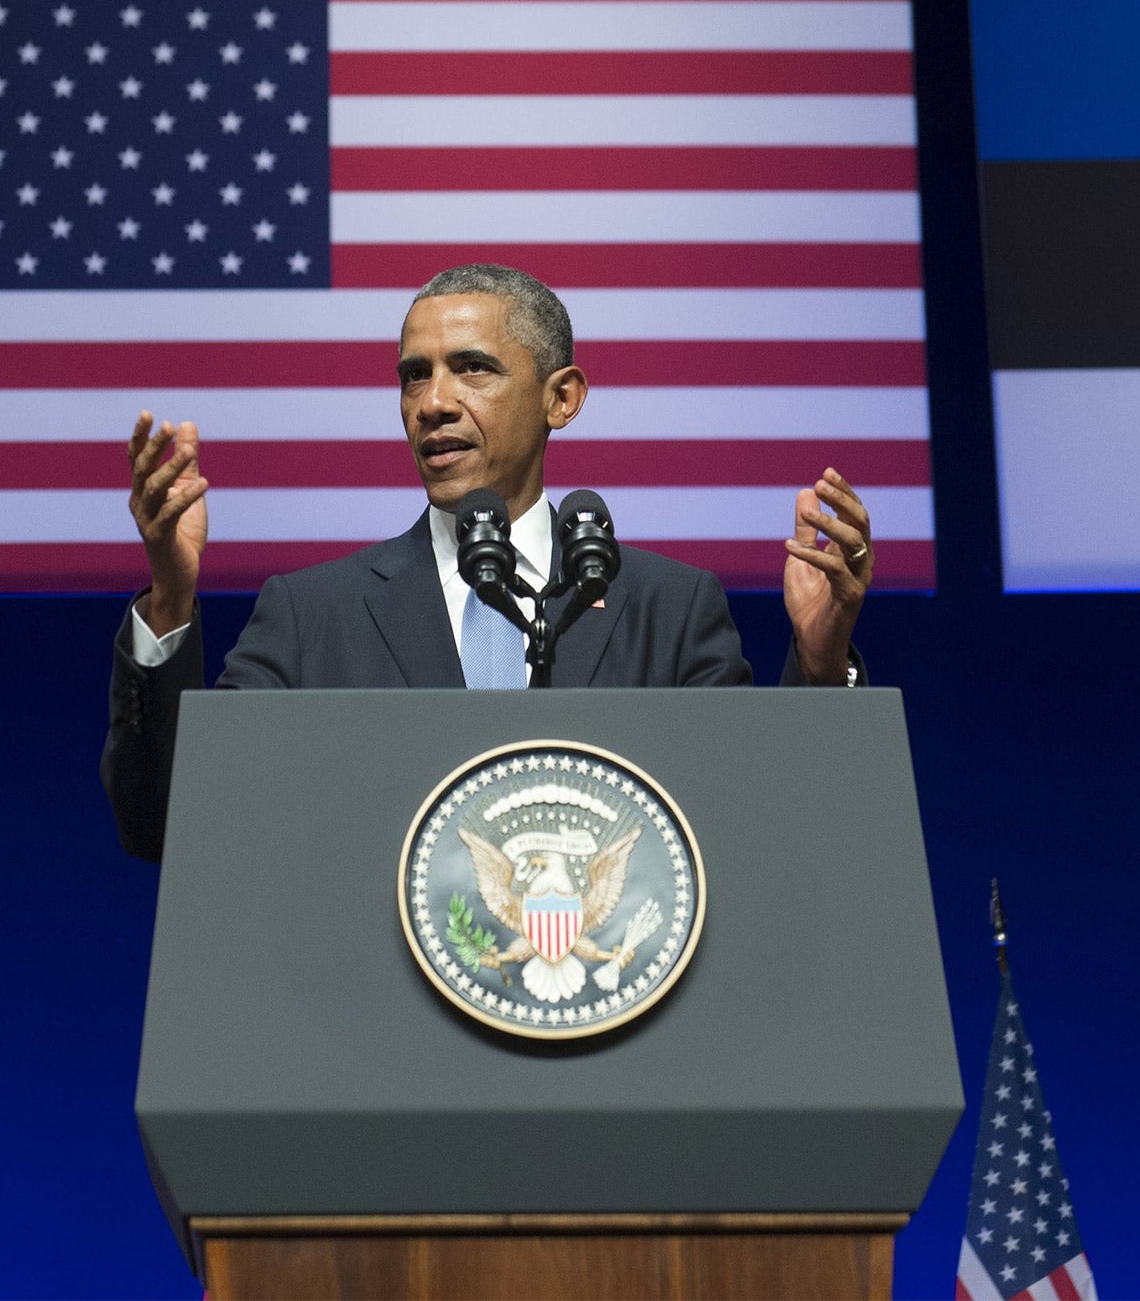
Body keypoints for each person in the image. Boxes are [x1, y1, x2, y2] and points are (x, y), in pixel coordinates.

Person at [100, 263, 876, 860]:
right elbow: (164, 823)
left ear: (561, 398)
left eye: (472, 368)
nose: (432, 401)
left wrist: (821, 665)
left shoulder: (669, 609)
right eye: (414, 374)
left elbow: (763, 837)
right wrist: (170, 600)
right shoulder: (313, 616)